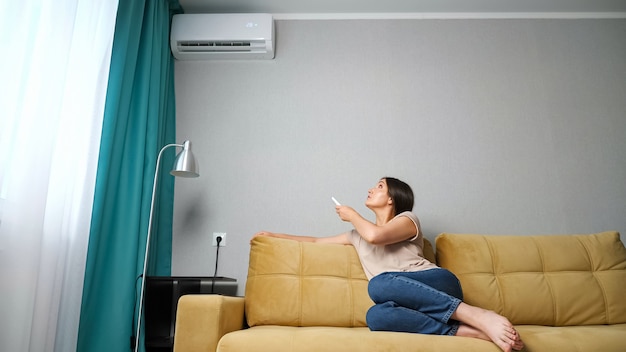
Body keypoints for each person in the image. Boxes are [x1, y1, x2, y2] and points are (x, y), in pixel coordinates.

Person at [252, 177, 524, 352]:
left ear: (392, 197)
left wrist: (352, 215)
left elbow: (376, 236)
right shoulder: (355, 236)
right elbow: (313, 241)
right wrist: (274, 235)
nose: (371, 188)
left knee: (379, 284)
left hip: (437, 284)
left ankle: (476, 314)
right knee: (376, 317)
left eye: (379, 186)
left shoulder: (407, 220)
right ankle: (468, 331)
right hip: (403, 299)